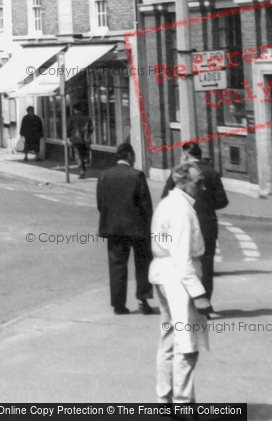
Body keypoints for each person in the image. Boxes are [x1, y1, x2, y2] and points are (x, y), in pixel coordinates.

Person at [150, 163, 212, 404]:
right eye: (199, 183)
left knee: (168, 338)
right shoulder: (182, 210)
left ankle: (164, 396)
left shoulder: (168, 203)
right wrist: (198, 293)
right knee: (188, 342)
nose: (203, 187)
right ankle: (183, 403)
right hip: (179, 279)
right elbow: (182, 257)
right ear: (184, 182)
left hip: (163, 275)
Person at [162, 142, 228, 300]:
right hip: (207, 224)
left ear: (185, 155)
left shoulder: (180, 172)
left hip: (182, 225)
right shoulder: (212, 173)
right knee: (206, 266)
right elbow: (222, 201)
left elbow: (166, 197)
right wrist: (206, 205)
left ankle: (188, 302)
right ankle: (205, 303)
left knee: (184, 264)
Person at [97, 142, 154, 315]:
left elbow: (101, 204)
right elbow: (146, 206)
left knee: (117, 266)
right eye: (134, 156)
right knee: (143, 264)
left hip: (114, 228)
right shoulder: (137, 176)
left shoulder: (104, 176)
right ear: (129, 156)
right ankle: (143, 300)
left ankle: (118, 305)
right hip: (137, 228)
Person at [67, 103, 93, 179]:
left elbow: (68, 128)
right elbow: (91, 128)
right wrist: (87, 135)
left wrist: (68, 137)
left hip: (76, 139)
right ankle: (83, 169)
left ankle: (82, 172)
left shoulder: (72, 118)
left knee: (78, 156)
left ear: (75, 110)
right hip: (85, 140)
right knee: (83, 155)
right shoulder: (87, 118)